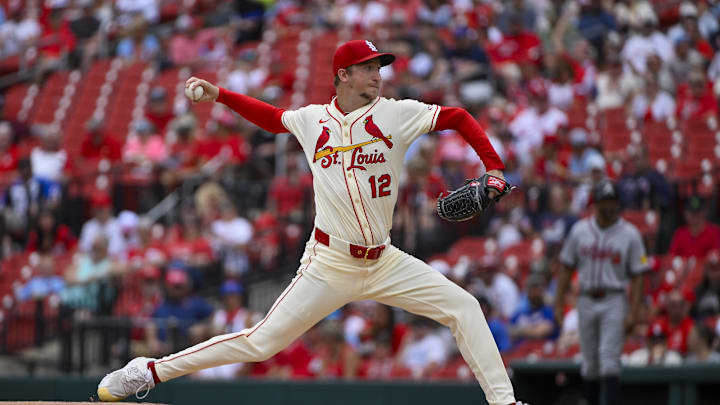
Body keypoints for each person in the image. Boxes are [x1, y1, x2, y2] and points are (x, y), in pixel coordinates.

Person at [97, 39, 526, 405]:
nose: (378, 75)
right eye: (368, 68)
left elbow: (457, 117)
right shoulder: (312, 119)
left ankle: (504, 404)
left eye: (379, 67)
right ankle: (149, 371)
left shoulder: (397, 113)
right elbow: (273, 118)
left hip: (385, 260)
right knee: (262, 342)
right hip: (330, 262)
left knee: (464, 307)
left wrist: (494, 167)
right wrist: (221, 95)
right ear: (343, 75)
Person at [555, 180, 649, 405]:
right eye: (603, 201)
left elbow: (638, 275)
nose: (607, 206)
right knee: (590, 364)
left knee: (609, 360)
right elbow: (566, 267)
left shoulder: (630, 234)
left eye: (611, 201)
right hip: (586, 298)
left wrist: (634, 311)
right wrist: (559, 302)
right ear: (595, 204)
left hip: (614, 299)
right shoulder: (580, 231)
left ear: (617, 203)